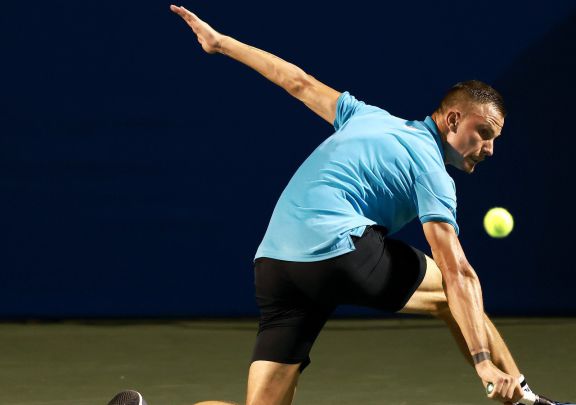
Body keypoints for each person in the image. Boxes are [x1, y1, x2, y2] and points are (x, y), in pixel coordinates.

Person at [170, 5, 552, 405]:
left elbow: (297, 82)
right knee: (455, 295)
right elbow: (460, 274)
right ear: (453, 120)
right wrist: (483, 363)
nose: (489, 149)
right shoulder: (433, 171)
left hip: (274, 265)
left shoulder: (366, 116)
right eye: (484, 133)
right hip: (339, 250)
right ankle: (522, 395)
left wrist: (221, 43)